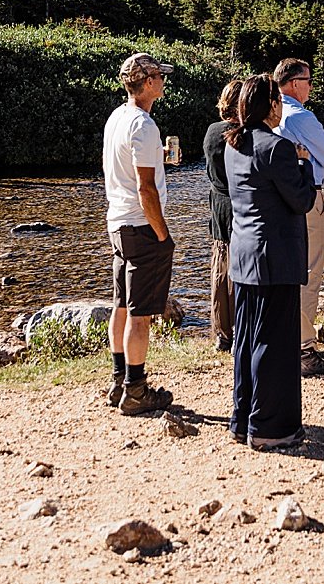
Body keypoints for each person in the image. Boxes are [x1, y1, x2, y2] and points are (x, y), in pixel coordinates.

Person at [225, 73, 317, 449]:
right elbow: (302, 200)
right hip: (275, 257)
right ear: (271, 106)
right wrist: (304, 163)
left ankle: (241, 418)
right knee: (275, 343)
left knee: (246, 340)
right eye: (278, 101)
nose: (282, 107)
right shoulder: (276, 148)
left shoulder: (234, 143)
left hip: (244, 254)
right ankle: (270, 428)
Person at [103, 52, 176, 416]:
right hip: (142, 226)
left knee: (120, 304)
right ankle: (136, 390)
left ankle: (118, 380)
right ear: (147, 82)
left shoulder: (117, 117)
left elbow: (126, 168)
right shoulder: (144, 126)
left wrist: (158, 156)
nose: (163, 81)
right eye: (160, 76)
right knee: (141, 312)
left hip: (117, 223)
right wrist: (162, 233)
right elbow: (146, 189)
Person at [272, 58, 324, 376]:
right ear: (292, 83)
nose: (312, 85)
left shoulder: (271, 113)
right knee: (310, 270)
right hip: (307, 194)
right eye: (308, 80)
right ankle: (303, 346)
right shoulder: (301, 116)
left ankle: (286, 338)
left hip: (277, 199)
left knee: (285, 270)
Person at [204, 79, 242, 353]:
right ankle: (238, 327)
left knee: (219, 263)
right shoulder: (240, 134)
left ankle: (221, 331)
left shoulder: (211, 131)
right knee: (237, 268)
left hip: (216, 202)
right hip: (237, 202)